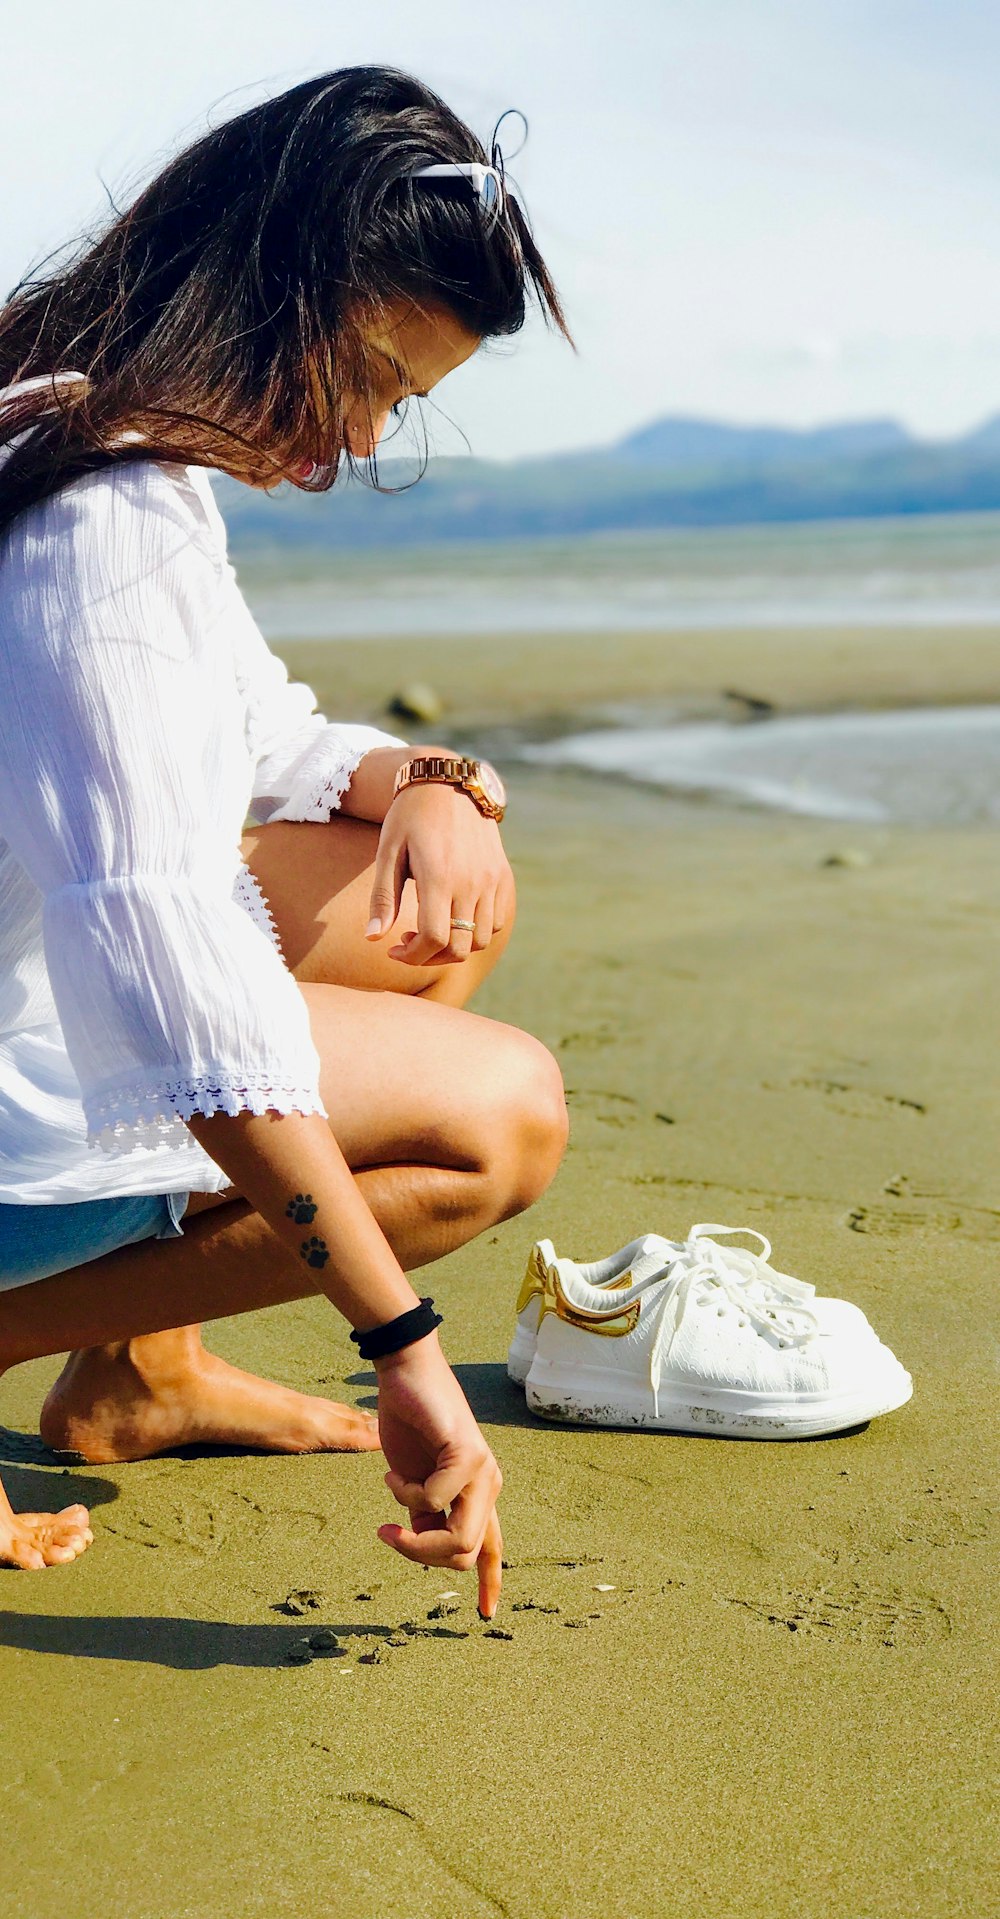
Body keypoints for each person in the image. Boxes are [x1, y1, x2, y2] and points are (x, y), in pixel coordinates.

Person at [0, 66, 573, 1612]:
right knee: (496, 1119)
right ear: (262, 294)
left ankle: (138, 1373)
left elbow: (263, 734)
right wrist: (403, 1347)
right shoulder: (91, 527)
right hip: (34, 1016)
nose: (350, 444)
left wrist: (437, 782)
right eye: (369, 378)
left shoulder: (82, 442)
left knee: (417, 904)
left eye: (400, 409)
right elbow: (168, 969)